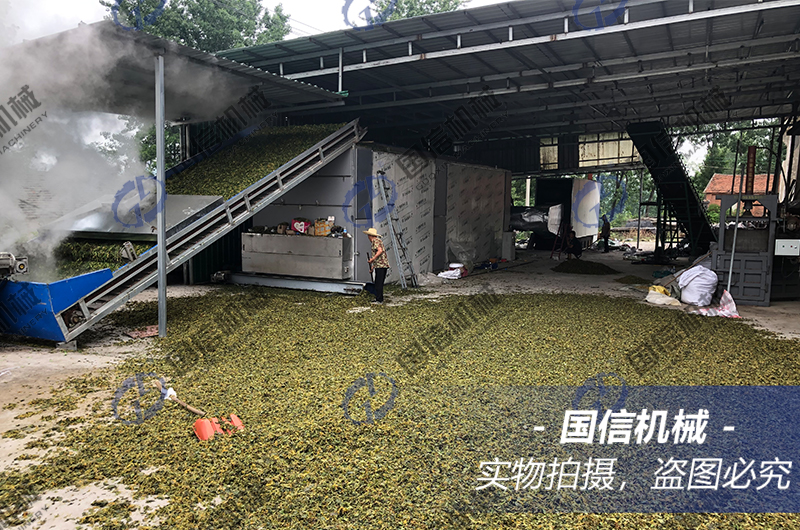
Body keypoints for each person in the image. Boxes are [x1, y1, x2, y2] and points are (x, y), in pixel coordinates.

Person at [364, 228, 389, 304]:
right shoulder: (378, 241)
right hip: (380, 265)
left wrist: (372, 259)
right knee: (378, 282)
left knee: (379, 283)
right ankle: (379, 298)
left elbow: (380, 250)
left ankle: (379, 300)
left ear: (370, 236)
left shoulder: (375, 241)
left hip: (381, 265)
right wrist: (373, 266)